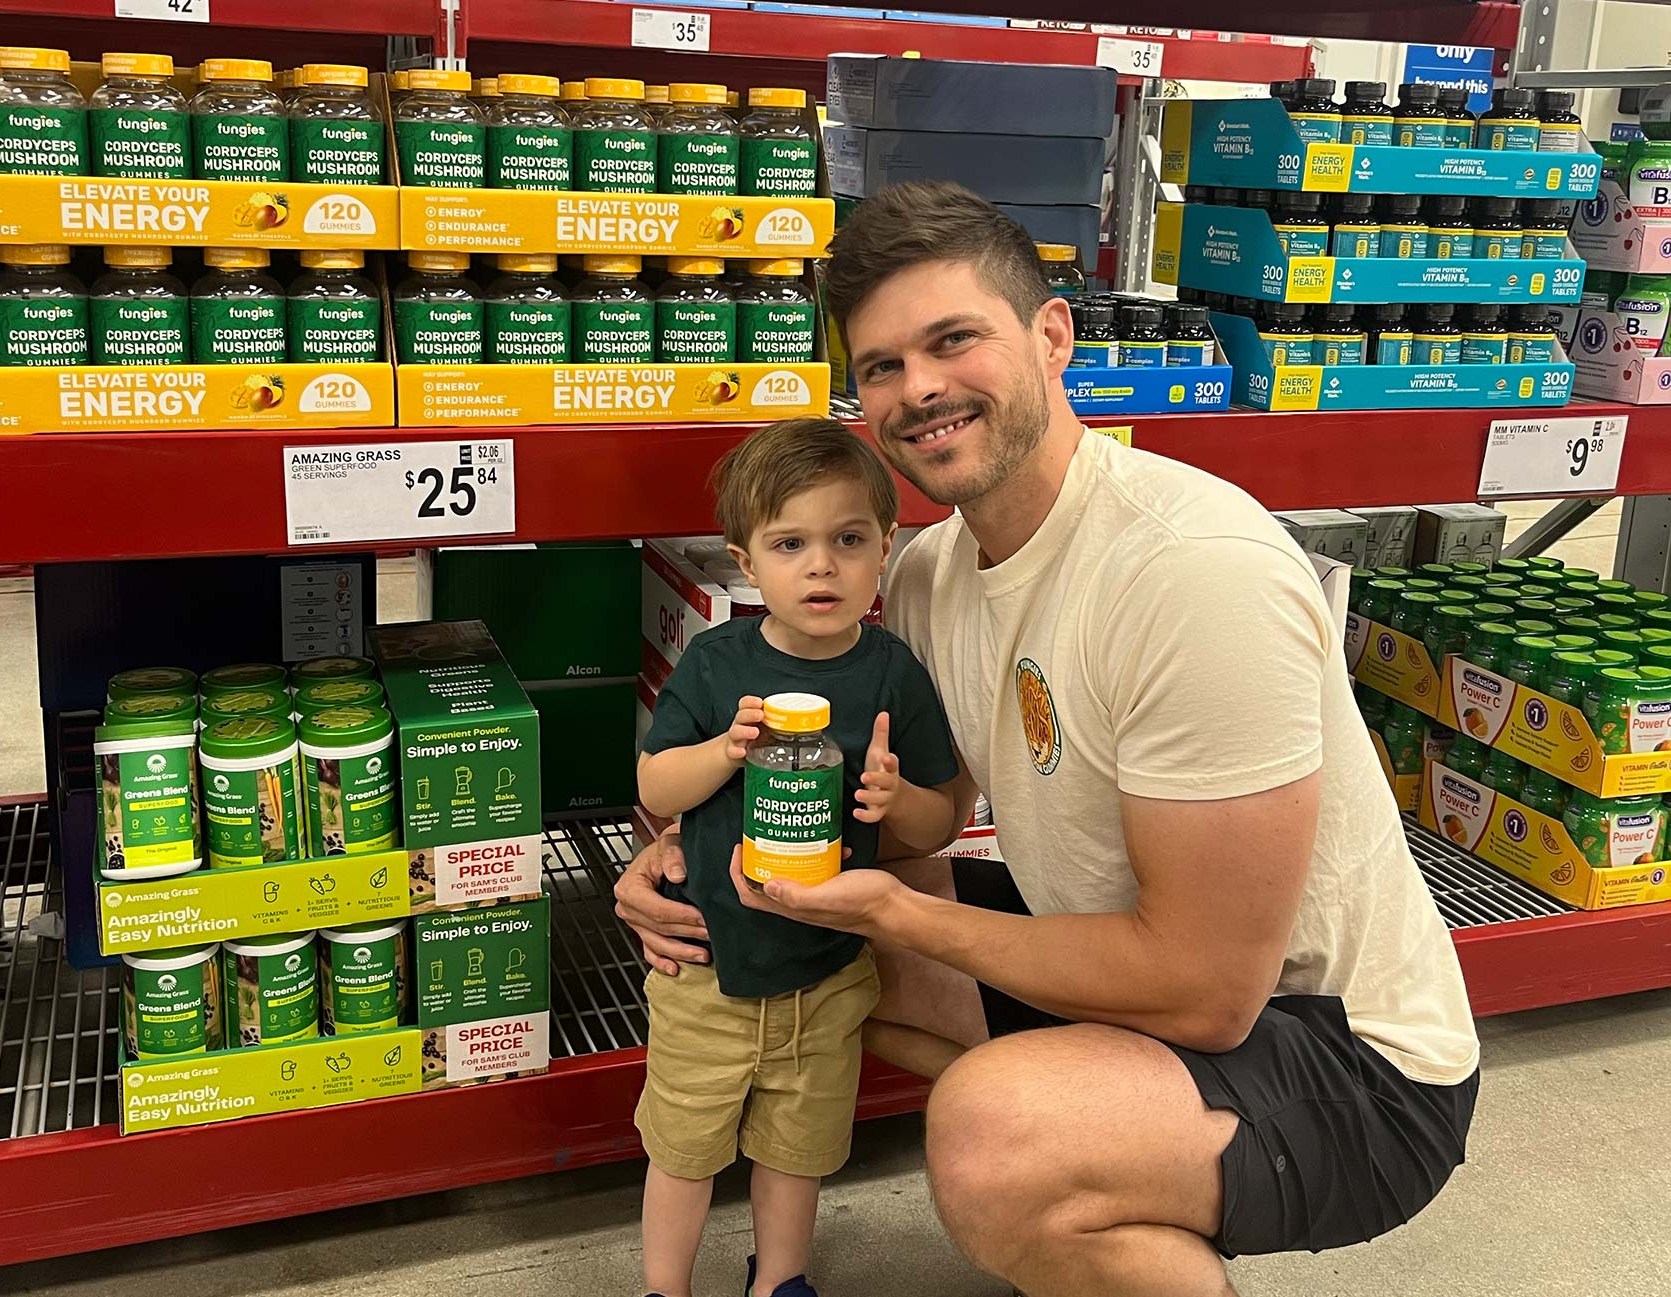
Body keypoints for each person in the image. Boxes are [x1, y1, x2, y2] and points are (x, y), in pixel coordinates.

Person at [616, 179, 1482, 1297]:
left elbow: (1210, 990)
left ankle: (1080, 1173)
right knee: (814, 960)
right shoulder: (928, 574)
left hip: (1349, 1057)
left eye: (953, 340)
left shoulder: (1190, 570)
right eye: (881, 367)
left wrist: (896, 906)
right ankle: (1106, 1175)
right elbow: (906, 827)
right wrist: (686, 858)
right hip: (1131, 962)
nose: (919, 388)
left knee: (992, 1137)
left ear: (1053, 335)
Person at [632, 417, 964, 1297]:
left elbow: (937, 823)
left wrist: (902, 803)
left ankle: (781, 1279)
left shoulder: (893, 674)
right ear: (747, 561)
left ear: (886, 546)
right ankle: (666, 1286)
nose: (822, 566)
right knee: (684, 1148)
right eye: (791, 543)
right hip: (708, 963)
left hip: (828, 972)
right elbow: (658, 788)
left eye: (849, 539)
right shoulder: (714, 665)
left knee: (800, 1149)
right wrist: (724, 754)